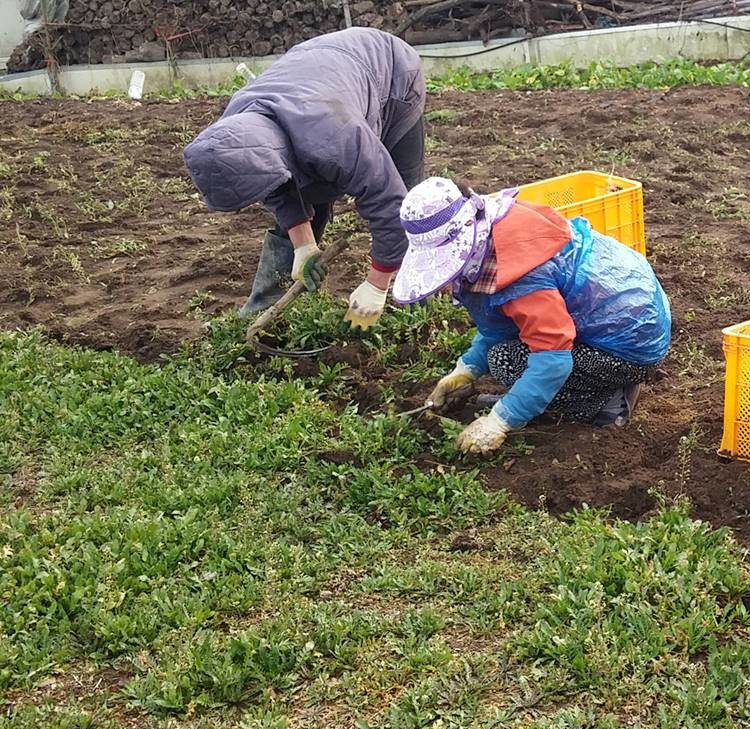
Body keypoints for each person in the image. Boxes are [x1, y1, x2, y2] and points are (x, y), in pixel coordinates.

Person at [389, 177, 671, 454]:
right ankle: (602, 384)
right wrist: (466, 369)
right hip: (625, 327)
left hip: (627, 349)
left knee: (506, 362)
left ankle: (607, 403)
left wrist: (501, 420)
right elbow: (504, 323)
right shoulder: (497, 235)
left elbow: (552, 358)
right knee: (499, 355)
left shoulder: (524, 277)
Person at [183, 27, 425, 327]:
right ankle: (266, 306)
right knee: (307, 181)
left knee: (414, 206)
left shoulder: (335, 136)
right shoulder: (237, 127)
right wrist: (303, 244)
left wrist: (376, 284)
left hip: (391, 72)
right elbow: (271, 180)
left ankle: (417, 304)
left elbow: (390, 203)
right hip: (320, 75)